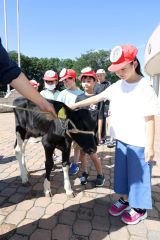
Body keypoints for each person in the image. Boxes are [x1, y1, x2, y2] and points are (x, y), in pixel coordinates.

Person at [69, 44, 158, 225]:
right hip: (122, 140)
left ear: (134, 63)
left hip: (138, 142)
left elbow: (150, 120)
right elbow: (98, 98)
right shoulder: (118, 85)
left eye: (123, 69)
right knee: (124, 174)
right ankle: (126, 199)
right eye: (117, 70)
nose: (120, 73)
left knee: (138, 176)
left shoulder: (145, 87)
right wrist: (74, 105)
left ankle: (140, 209)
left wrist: (150, 146)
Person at [0, 38, 56, 118]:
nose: (50, 83)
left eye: (52, 81)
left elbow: (8, 70)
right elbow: (8, 71)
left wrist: (43, 103)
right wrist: (43, 103)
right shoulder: (41, 94)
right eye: (48, 81)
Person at [76, 67, 105, 186]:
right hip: (81, 132)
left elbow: (100, 116)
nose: (86, 83)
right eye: (84, 81)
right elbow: (76, 115)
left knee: (92, 154)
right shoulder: (79, 98)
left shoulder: (99, 98)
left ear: (94, 82)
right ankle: (85, 172)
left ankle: (100, 175)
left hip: (92, 133)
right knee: (82, 154)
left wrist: (99, 134)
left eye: (89, 80)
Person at [57, 68, 84, 175]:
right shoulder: (62, 93)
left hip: (77, 125)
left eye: (67, 80)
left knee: (77, 146)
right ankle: (66, 160)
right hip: (65, 124)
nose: (65, 83)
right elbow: (58, 108)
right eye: (63, 81)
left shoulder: (81, 93)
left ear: (73, 79)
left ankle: (75, 163)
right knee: (66, 145)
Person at [95, 69, 111, 145]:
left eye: (101, 75)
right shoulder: (95, 84)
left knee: (103, 120)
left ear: (104, 75)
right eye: (98, 75)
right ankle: (96, 136)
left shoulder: (107, 84)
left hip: (104, 105)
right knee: (95, 119)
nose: (99, 76)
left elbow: (109, 94)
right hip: (96, 104)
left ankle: (103, 137)